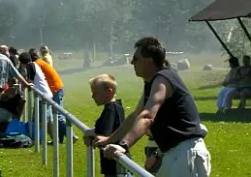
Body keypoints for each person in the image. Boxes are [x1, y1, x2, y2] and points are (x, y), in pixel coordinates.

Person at [90, 37, 211, 177]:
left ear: (149, 61)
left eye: (136, 58)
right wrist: (110, 139)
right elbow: (136, 115)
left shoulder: (163, 79)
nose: (131, 62)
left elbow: (147, 117)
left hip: (186, 154)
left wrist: (123, 145)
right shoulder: (152, 82)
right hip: (173, 153)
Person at [84, 74, 131, 177]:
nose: (92, 96)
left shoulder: (111, 109)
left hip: (115, 165)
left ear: (109, 92)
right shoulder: (115, 106)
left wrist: (89, 134)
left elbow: (104, 135)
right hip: (114, 163)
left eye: (95, 93)